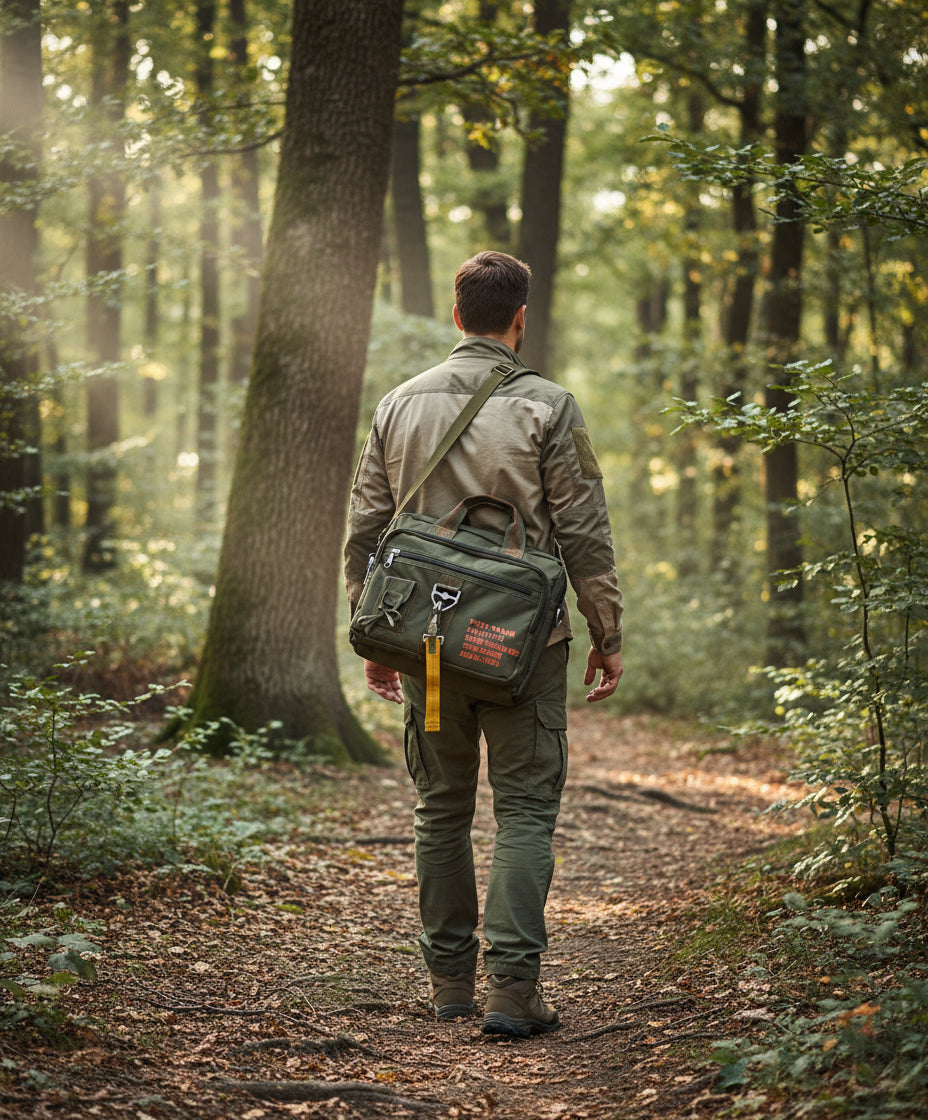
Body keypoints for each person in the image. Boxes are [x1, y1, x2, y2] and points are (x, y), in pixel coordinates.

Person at [344, 251, 624, 1038]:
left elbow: (366, 531)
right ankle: (511, 992)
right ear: (519, 319)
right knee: (527, 810)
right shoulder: (549, 406)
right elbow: (584, 531)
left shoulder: (399, 404)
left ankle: (447, 986)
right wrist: (608, 632)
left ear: (458, 316)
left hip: (427, 651)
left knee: (441, 809)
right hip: (522, 650)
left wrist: (375, 634)